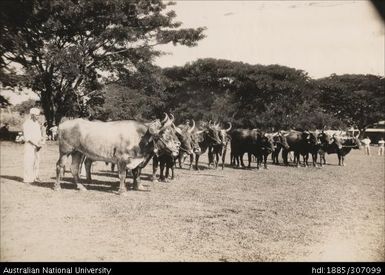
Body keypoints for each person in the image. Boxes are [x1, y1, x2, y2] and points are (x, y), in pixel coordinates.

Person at [23, 108, 43, 184]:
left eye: (38, 115)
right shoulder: (27, 123)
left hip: (37, 145)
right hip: (29, 145)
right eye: (36, 115)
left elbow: (38, 135)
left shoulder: (37, 124)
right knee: (29, 161)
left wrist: (40, 142)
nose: (38, 117)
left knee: (37, 161)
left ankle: (35, 177)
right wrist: (35, 144)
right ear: (32, 115)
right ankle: (27, 179)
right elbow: (27, 137)